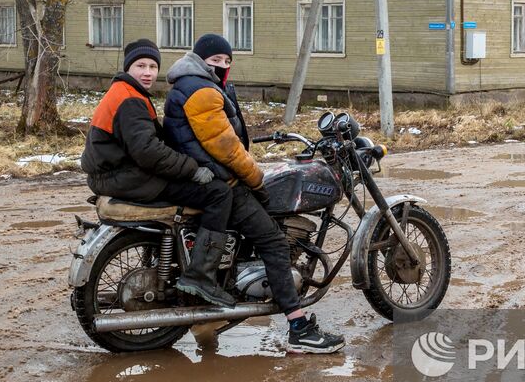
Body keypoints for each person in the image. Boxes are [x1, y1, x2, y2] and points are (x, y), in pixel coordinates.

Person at [164, 33, 344, 354]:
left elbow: (223, 136)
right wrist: (256, 179)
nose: (221, 66)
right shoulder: (201, 90)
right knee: (274, 241)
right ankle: (299, 327)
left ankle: (220, 303)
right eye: (215, 60)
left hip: (204, 178)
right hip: (221, 181)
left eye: (227, 61)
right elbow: (227, 149)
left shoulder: (196, 85)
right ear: (200, 60)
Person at [79, 38, 238, 307]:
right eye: (141, 65)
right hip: (127, 176)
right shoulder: (129, 99)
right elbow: (148, 152)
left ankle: (187, 257)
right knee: (218, 194)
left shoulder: (127, 93)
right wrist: (192, 169)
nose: (148, 72)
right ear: (128, 67)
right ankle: (201, 276)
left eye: (153, 66)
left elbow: (150, 145)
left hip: (116, 173)